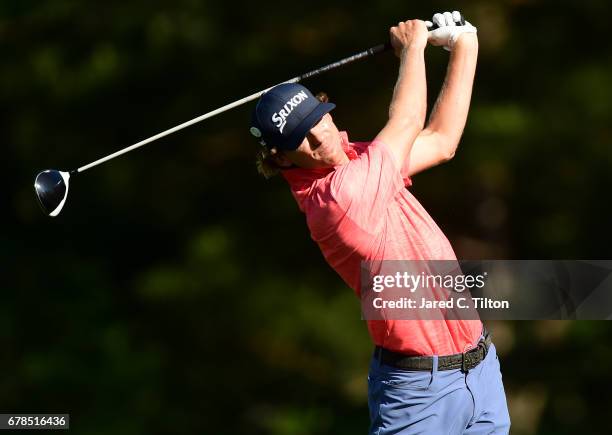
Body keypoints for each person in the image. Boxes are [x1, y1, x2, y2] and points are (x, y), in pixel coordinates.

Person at [249, 11, 510, 435]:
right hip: (420, 394)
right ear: (280, 159)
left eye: (320, 119)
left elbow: (441, 141)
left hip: (480, 369)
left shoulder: (361, 162)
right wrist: (412, 50)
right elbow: (406, 122)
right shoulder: (337, 200)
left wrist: (466, 45)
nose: (322, 138)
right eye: (303, 139)